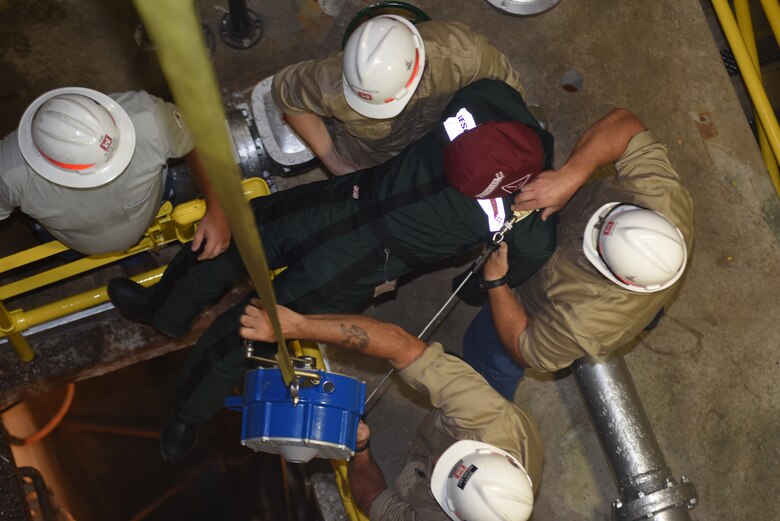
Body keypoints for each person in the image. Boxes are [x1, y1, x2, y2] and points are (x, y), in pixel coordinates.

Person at [107, 79, 565, 462]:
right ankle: (160, 309)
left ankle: (189, 411)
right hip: (343, 199)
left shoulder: (531, 222)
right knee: (225, 243)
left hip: (365, 263)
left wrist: (474, 286)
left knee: (248, 330)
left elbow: (505, 270)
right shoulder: (485, 102)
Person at [462, 108, 694, 400]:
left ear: (612, 274)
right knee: (648, 312)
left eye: (595, 237)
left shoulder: (586, 320)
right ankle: (648, 314)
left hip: (528, 305)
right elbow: (625, 124)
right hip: (636, 290)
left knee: (492, 355)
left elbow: (525, 348)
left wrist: (496, 282)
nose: (591, 225)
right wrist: (570, 176)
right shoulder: (662, 197)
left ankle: (477, 394)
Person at [239, 300, 542, 521]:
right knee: (477, 366)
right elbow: (401, 346)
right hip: (489, 414)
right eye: (456, 456)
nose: (437, 458)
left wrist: (361, 450)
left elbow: (373, 501)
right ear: (493, 455)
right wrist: (297, 325)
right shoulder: (487, 418)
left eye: (442, 471)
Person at [272, 15, 525, 175]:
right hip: (373, 162)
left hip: (442, 139)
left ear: (420, 68)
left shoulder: (463, 55)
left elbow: (509, 90)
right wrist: (334, 162)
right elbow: (285, 93)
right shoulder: (330, 82)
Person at [0, 87, 230, 258]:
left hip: (153, 205)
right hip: (76, 244)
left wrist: (218, 207)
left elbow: (198, 139)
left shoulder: (150, 117)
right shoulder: (8, 174)